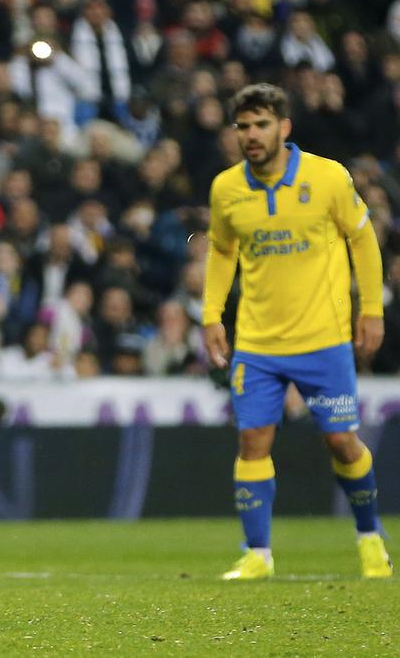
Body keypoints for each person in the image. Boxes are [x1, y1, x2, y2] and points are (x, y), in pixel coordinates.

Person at [203, 83, 391, 580]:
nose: (251, 135)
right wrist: (210, 315)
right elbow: (222, 252)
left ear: (284, 128)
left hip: (323, 340)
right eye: (243, 126)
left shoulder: (327, 177)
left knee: (341, 443)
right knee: (252, 441)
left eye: (261, 124)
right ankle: (257, 555)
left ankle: (370, 536)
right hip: (259, 343)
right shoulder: (226, 189)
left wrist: (371, 308)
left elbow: (363, 238)